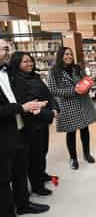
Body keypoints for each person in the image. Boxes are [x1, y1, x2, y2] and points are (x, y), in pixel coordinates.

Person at [0, 39, 49, 216]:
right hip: (4, 135)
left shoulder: (10, 74)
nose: (8, 52)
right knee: (4, 179)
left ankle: (23, 205)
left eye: (9, 49)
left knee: (21, 170)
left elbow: (18, 98)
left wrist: (33, 106)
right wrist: (22, 108)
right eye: (5, 49)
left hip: (21, 128)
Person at [8, 52, 59, 196]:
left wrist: (55, 108)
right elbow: (28, 106)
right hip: (32, 125)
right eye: (25, 62)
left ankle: (41, 174)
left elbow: (48, 94)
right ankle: (37, 185)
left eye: (30, 61)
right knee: (34, 156)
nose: (29, 64)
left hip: (43, 122)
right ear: (17, 63)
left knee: (43, 151)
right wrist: (50, 114)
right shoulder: (16, 81)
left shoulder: (35, 76)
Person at [48, 47, 96, 169]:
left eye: (70, 54)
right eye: (66, 54)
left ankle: (87, 154)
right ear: (60, 56)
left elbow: (85, 80)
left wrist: (89, 83)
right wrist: (73, 90)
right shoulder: (54, 71)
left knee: (85, 129)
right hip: (68, 105)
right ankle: (73, 158)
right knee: (71, 132)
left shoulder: (77, 68)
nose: (69, 56)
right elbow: (53, 90)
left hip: (83, 103)